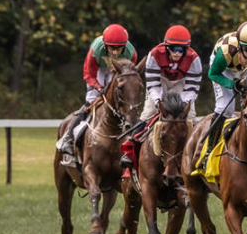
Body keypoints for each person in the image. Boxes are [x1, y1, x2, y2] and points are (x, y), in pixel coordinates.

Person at [119, 25, 201, 170]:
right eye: (173, 48)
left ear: (186, 49)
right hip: (160, 82)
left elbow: (192, 88)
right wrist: (158, 102)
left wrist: (182, 106)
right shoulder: (154, 55)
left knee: (191, 118)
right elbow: (153, 84)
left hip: (182, 84)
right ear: (166, 47)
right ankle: (131, 150)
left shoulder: (194, 59)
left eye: (181, 49)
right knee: (147, 114)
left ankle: (197, 156)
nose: (177, 53)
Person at [197, 20, 247, 167]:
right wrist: (231, 84)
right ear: (240, 46)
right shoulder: (225, 51)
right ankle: (209, 150)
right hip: (224, 68)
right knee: (225, 107)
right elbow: (213, 74)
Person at [56, 24, 138, 156]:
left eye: (119, 48)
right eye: (112, 47)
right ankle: (68, 137)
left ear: (125, 45)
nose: (115, 52)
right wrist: (99, 87)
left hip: (118, 71)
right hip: (98, 71)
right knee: (91, 102)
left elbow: (130, 76)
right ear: (105, 45)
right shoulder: (96, 51)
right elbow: (88, 75)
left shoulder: (131, 54)